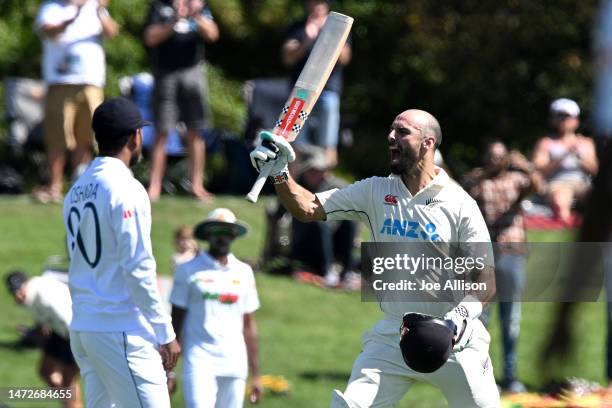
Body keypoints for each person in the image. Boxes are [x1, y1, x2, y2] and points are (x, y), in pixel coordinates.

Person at [250, 109, 500, 407]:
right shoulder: (375, 191)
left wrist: (457, 319)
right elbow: (306, 208)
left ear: (428, 143)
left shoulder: (459, 203)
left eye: (402, 132)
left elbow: (486, 280)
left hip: (455, 342)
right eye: (391, 130)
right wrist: (280, 172)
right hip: (396, 335)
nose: (391, 137)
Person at [63, 97, 180, 407]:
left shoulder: (76, 189)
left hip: (85, 327)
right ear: (135, 137)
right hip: (119, 328)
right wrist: (165, 332)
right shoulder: (125, 188)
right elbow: (138, 265)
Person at [462, 140, 543, 393]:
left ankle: (510, 376)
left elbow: (540, 186)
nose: (497, 160)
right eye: (492, 155)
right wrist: (489, 171)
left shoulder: (518, 179)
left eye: (501, 156)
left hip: (512, 252)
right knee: (481, 318)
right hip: (484, 254)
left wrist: (526, 166)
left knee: (511, 318)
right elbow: (464, 189)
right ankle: (480, 373)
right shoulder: (479, 179)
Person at [170, 208, 263, 408]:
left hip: (234, 362)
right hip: (199, 359)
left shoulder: (244, 272)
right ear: (208, 235)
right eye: (217, 232)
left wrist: (256, 375)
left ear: (234, 236)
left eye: (227, 232)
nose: (222, 238)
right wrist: (169, 369)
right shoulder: (187, 270)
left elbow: (248, 325)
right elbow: (175, 321)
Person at [34, 0, 118, 203]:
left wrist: (98, 9)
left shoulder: (95, 7)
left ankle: (79, 186)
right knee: (57, 137)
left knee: (86, 137)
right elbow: (49, 31)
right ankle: (54, 187)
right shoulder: (50, 8)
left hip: (90, 81)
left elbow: (112, 32)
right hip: (60, 81)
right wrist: (72, 16)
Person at [144, 0, 219, 202]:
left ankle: (196, 185)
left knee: (196, 130)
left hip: (193, 73)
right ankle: (155, 186)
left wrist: (195, 16)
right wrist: (174, 20)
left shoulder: (200, 7)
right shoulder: (159, 7)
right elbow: (150, 38)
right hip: (165, 74)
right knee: (162, 131)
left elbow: (212, 35)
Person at [282, 0, 351, 167]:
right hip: (300, 92)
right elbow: (287, 59)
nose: (316, 5)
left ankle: (326, 187)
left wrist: (328, 35)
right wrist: (307, 39)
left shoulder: (339, 26)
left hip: (328, 92)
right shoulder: (297, 27)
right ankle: (292, 186)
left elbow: (345, 58)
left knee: (328, 142)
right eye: (312, 2)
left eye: (320, 2)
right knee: (293, 139)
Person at [5, 270, 82, 408]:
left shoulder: (46, 298)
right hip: (59, 331)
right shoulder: (28, 297)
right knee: (46, 371)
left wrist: (79, 353)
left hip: (74, 334)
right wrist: (34, 332)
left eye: (19, 290)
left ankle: (73, 404)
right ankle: (68, 403)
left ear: (26, 284)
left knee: (68, 380)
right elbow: (41, 320)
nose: (18, 295)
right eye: (14, 292)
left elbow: (69, 322)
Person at [290, 145, 359, 288]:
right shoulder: (295, 188)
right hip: (302, 241)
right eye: (313, 171)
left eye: (321, 171)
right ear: (305, 171)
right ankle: (327, 273)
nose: (319, 174)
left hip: (331, 238)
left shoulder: (336, 185)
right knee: (319, 222)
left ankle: (345, 273)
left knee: (349, 221)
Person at [532, 98, 599, 225]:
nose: (562, 120)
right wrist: (564, 155)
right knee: (560, 202)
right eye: (559, 116)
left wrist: (579, 157)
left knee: (601, 198)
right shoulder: (546, 143)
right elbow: (538, 169)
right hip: (557, 184)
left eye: (566, 116)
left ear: (576, 120)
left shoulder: (586, 143)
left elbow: (596, 169)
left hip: (583, 184)